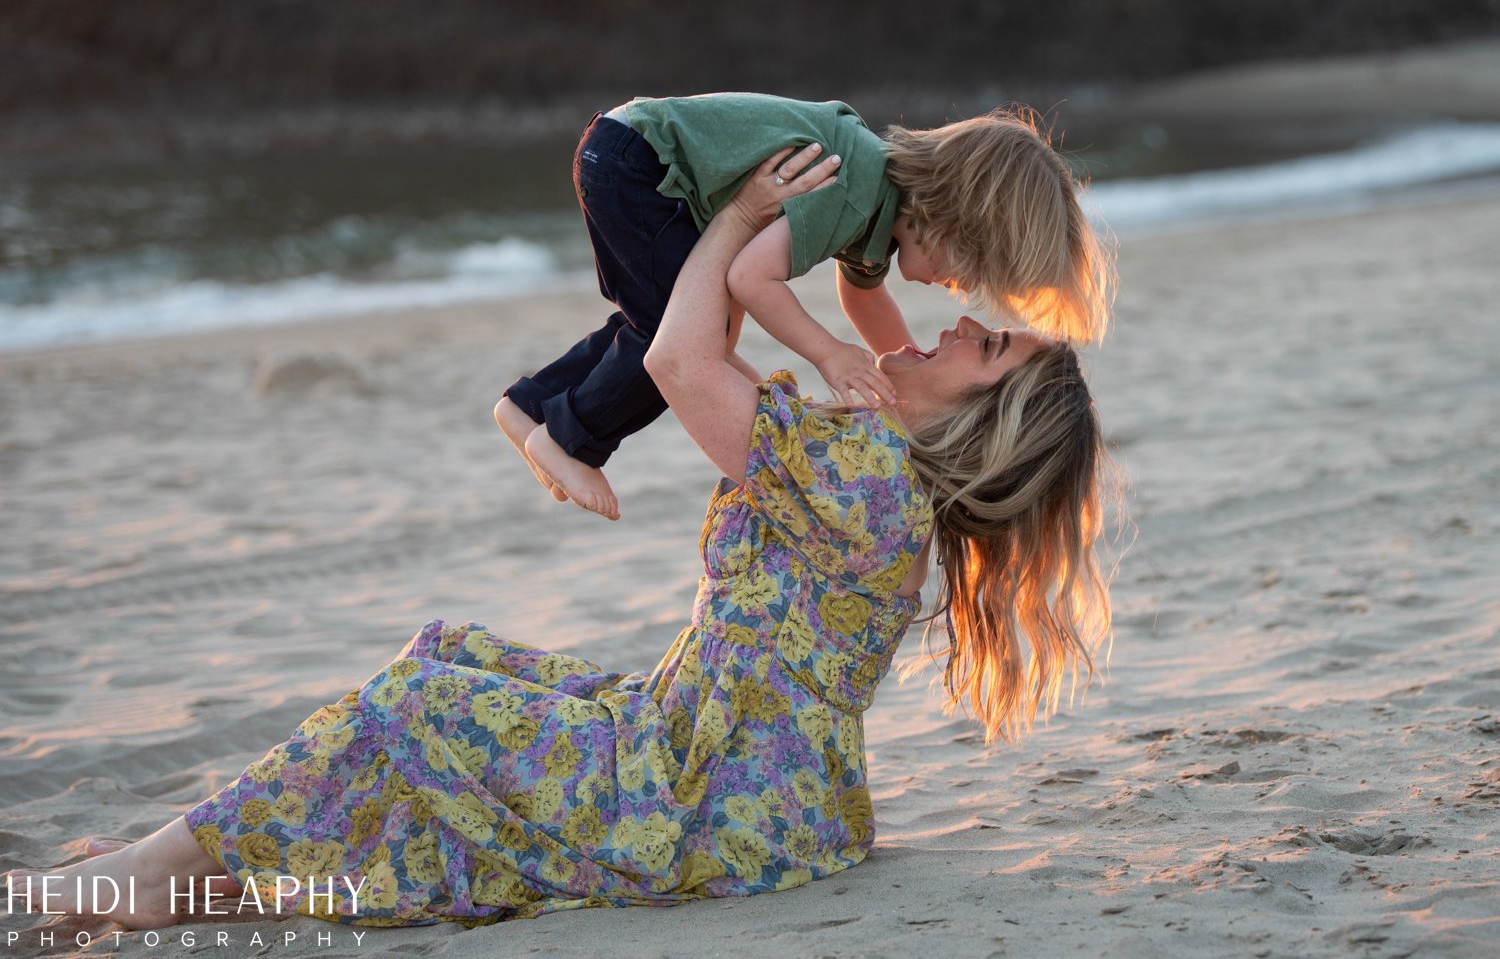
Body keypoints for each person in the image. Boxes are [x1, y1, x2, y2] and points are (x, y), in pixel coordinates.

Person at [3, 147, 1112, 931]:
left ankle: (149, 875)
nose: (960, 325)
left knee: (412, 708)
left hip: (700, 799)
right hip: (750, 789)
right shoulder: (883, 479)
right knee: (454, 657)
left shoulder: (868, 476)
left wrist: (734, 219)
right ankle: (218, 879)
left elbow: (680, 365)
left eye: (988, 349)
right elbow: (802, 334)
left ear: (983, 421)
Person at [496, 92, 1112, 520]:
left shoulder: (880, 219)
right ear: (951, 219)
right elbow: (749, 276)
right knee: (681, 332)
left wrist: (887, 372)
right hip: (638, 166)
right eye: (969, 269)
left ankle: (526, 409)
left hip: (629, 152)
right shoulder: (851, 184)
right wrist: (829, 353)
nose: (958, 288)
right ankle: (571, 438)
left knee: (671, 322)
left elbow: (862, 296)